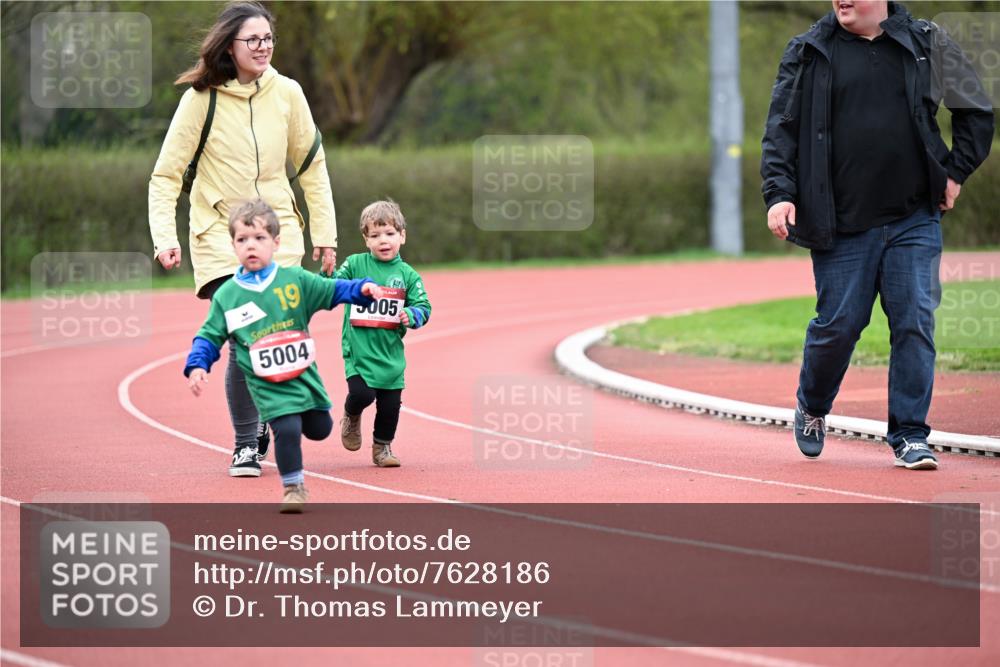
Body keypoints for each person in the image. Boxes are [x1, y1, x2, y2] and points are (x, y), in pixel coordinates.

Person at [761, 1, 994, 469]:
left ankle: (909, 434)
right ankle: (812, 404)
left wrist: (955, 172)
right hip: (840, 224)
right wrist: (779, 194)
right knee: (839, 327)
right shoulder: (808, 51)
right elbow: (781, 131)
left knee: (914, 322)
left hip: (914, 218)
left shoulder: (927, 42)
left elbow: (976, 110)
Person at [149, 1, 338, 478]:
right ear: (229, 47)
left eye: (268, 38)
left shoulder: (289, 93)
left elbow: (311, 168)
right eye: (252, 40)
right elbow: (166, 176)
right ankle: (245, 442)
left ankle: (271, 415)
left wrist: (326, 236)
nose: (262, 47)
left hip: (280, 234)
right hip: (219, 234)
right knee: (240, 336)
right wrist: (164, 236)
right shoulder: (201, 98)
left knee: (282, 333)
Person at [184, 199, 384, 512]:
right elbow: (209, 335)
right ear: (233, 245)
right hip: (266, 384)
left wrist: (363, 289)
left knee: (320, 429)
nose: (251, 246)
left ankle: (307, 416)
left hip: (304, 377)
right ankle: (293, 488)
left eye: (259, 238)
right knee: (287, 429)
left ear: (276, 243)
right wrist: (197, 365)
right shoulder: (228, 295)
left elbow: (333, 290)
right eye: (242, 240)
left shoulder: (295, 281)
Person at [334, 201, 432, 468]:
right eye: (375, 235)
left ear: (402, 236)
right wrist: (331, 276)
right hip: (358, 350)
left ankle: (382, 447)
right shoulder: (355, 264)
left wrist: (411, 316)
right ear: (366, 240)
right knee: (363, 394)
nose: (383, 240)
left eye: (389, 233)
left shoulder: (408, 275)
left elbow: (424, 306)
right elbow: (334, 284)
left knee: (390, 406)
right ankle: (351, 415)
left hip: (390, 355)